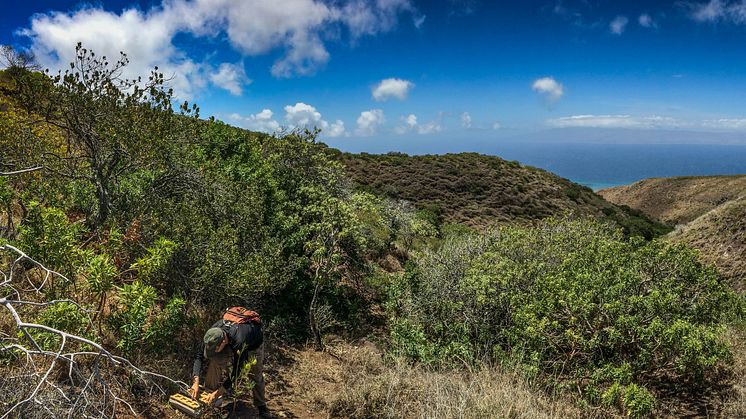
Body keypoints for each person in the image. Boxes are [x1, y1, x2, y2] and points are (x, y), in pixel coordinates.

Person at [190, 313, 268, 417]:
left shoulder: (239, 340)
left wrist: (219, 392)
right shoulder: (211, 335)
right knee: (216, 360)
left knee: (254, 374)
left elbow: (237, 370)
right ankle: (209, 395)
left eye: (215, 349)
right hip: (229, 339)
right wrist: (195, 382)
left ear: (223, 342)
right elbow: (199, 357)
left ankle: (261, 406)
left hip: (253, 345)